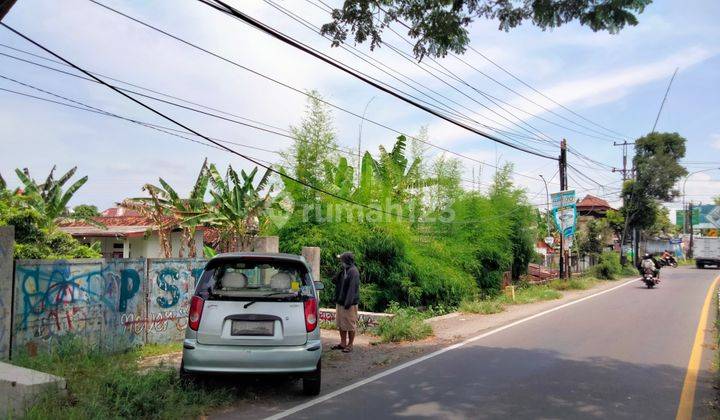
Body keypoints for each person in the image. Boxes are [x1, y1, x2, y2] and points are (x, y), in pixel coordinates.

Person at [331, 252, 360, 353]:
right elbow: (333, 280)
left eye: (342, 260)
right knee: (341, 324)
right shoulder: (345, 270)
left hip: (349, 304)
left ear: (346, 260)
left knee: (350, 325)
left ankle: (350, 344)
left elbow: (352, 289)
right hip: (341, 302)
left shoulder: (353, 272)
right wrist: (340, 271)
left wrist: (348, 303)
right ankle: (343, 343)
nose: (341, 262)